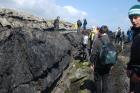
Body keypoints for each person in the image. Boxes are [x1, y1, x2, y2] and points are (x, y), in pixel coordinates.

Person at [90, 25, 113, 93]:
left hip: (98, 64)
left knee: (97, 81)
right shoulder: (110, 40)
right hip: (108, 64)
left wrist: (92, 64)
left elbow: (93, 54)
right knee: (105, 81)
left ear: (100, 32)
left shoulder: (97, 41)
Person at [127, 4, 140, 93]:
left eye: (136, 17)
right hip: (133, 71)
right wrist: (129, 67)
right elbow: (134, 53)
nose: (133, 21)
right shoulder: (135, 32)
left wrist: (138, 74)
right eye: (131, 18)